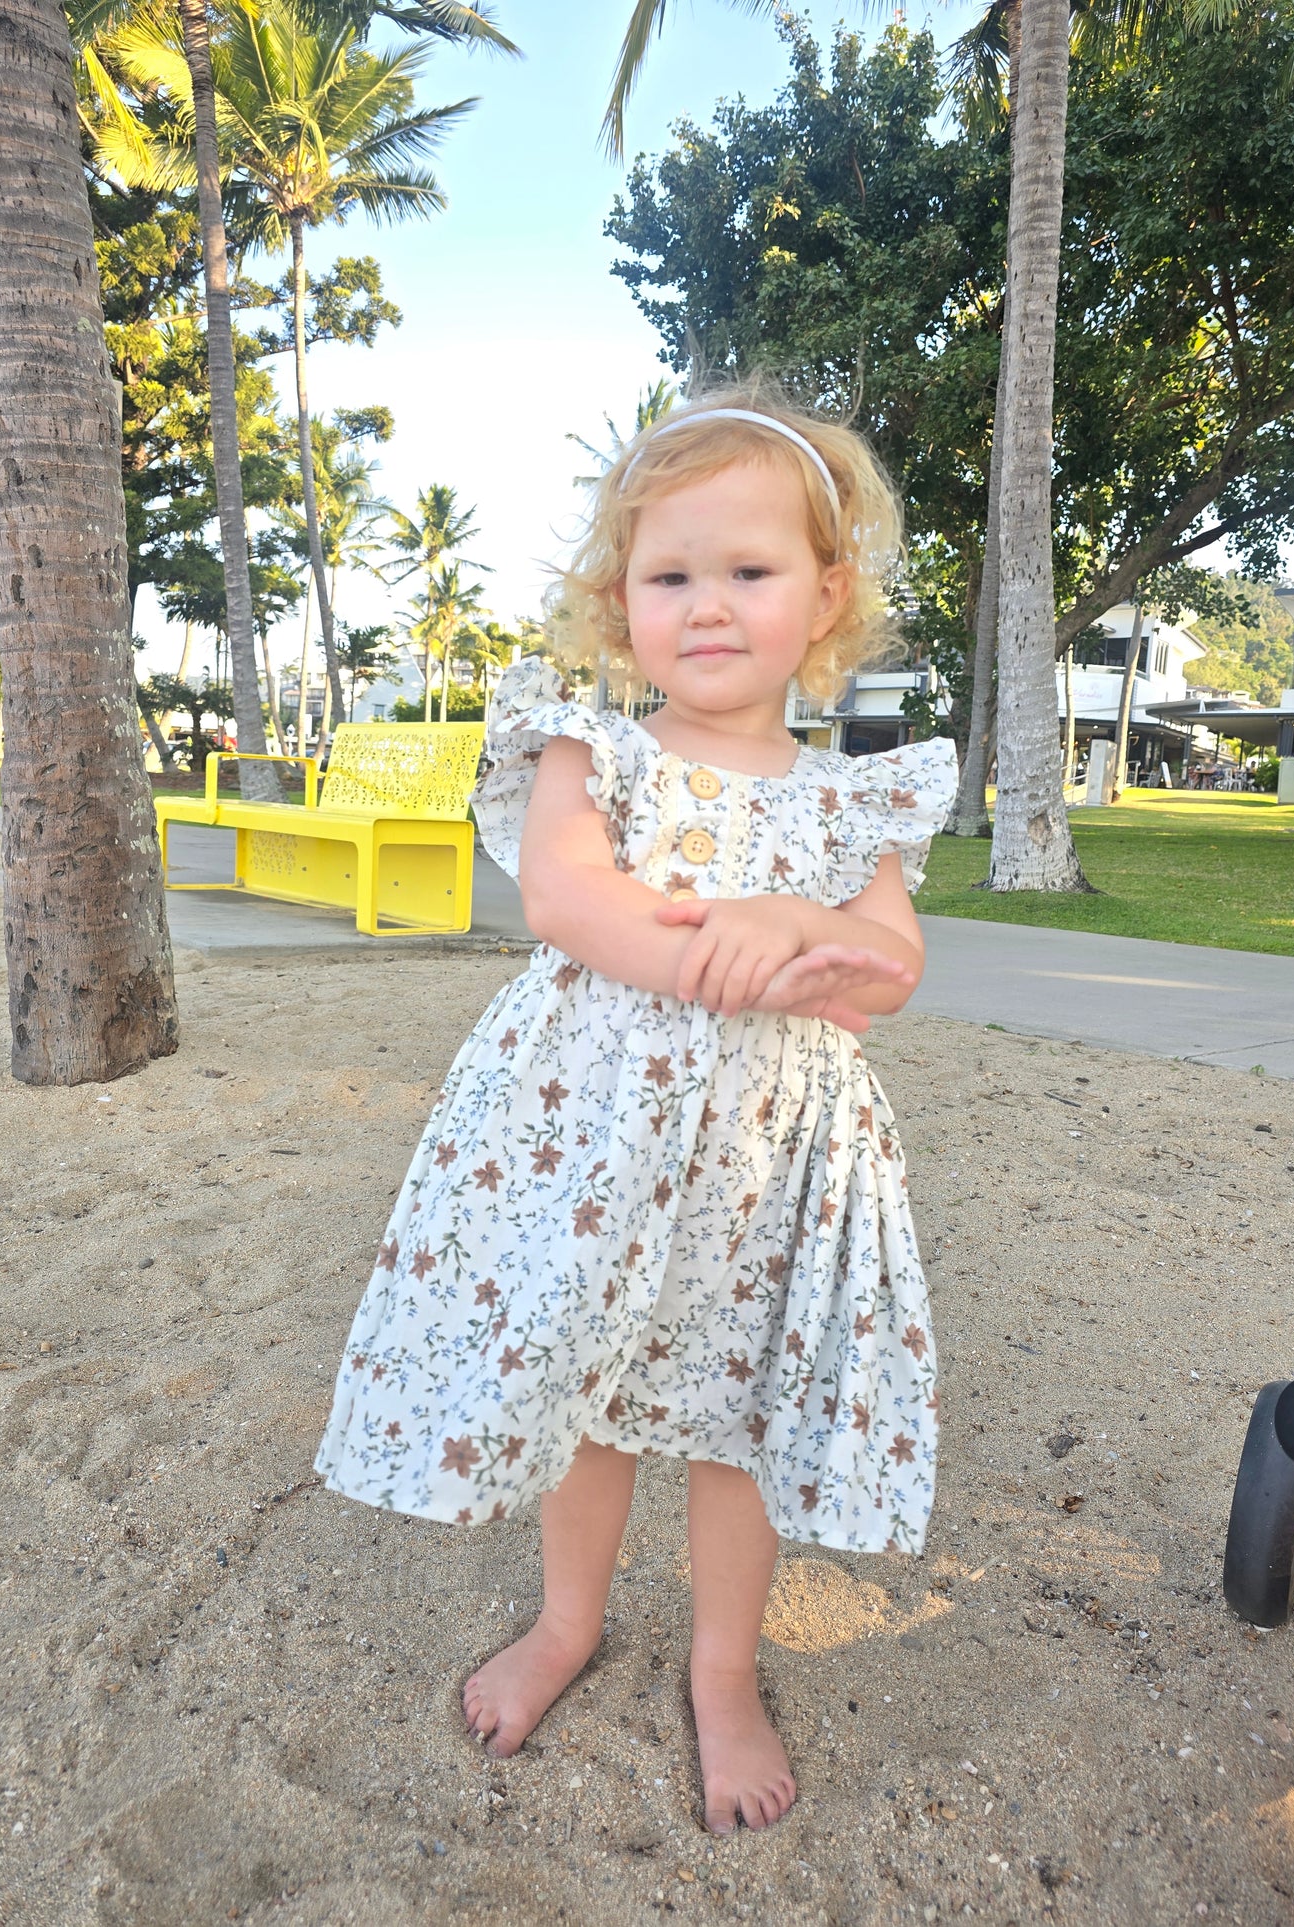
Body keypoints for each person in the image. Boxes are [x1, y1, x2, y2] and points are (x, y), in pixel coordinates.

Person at [314, 389, 958, 1836]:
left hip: (769, 1164)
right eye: (671, 576)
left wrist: (794, 915)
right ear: (620, 601)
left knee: (736, 1418)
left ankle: (724, 1665)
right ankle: (565, 1620)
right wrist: (731, 962)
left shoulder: (858, 800)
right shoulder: (588, 750)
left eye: (750, 571)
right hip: (594, 1142)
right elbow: (565, 897)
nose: (709, 605)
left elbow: (894, 964)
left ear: (827, 594)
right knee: (595, 1396)